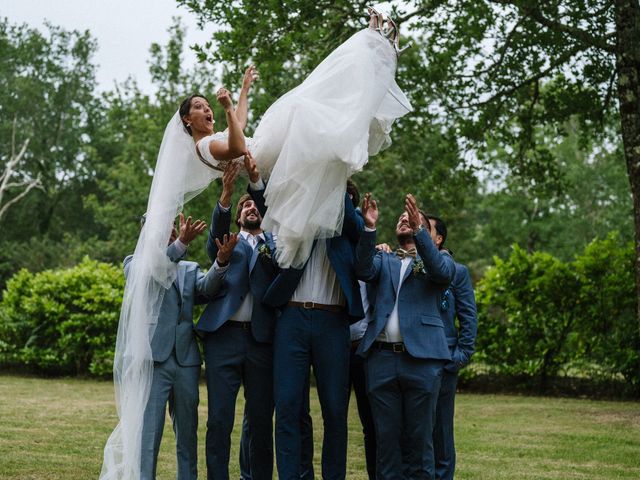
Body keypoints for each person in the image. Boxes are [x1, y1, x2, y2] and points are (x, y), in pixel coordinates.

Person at [196, 9, 412, 269]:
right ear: (187, 120)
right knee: (306, 106)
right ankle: (374, 52)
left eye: (207, 106)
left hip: (265, 153)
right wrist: (228, 108)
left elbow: (239, 126)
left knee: (320, 117)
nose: (208, 109)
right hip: (262, 155)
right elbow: (239, 145)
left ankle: (377, 53)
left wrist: (244, 90)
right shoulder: (205, 145)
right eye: (199, 107)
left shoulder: (214, 138)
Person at [248, 174, 364, 480]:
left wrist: (333, 171)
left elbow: (354, 223)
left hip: (333, 322)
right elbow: (271, 210)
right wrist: (257, 182)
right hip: (292, 320)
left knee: (335, 411)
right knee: (287, 407)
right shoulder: (299, 221)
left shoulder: (350, 231)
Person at [355, 193, 455, 480]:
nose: (404, 219)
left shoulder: (439, 259)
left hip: (422, 361)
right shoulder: (383, 259)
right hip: (382, 360)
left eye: (411, 218)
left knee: (420, 442)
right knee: (386, 442)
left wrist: (420, 231)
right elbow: (361, 269)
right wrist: (369, 228)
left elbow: (441, 273)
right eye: (401, 218)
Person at [196, 155, 279, 480]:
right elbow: (217, 230)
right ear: (238, 217)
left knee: (260, 420)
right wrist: (227, 194)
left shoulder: (276, 244)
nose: (250, 209)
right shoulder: (227, 243)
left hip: (261, 341)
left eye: (254, 206)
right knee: (219, 418)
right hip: (223, 338)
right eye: (244, 208)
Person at [124, 213, 223, 480]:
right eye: (161, 229)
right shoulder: (134, 265)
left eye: (171, 228)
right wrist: (179, 244)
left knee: (188, 434)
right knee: (149, 434)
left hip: (186, 360)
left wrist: (221, 263)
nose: (168, 232)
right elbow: (153, 274)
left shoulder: (189, 268)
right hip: (154, 360)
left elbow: (206, 289)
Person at [426, 216, 478, 480]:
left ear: (438, 239)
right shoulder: (408, 267)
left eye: (427, 230)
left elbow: (469, 318)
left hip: (445, 359)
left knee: (441, 430)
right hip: (414, 359)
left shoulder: (457, 272)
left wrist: (459, 356)